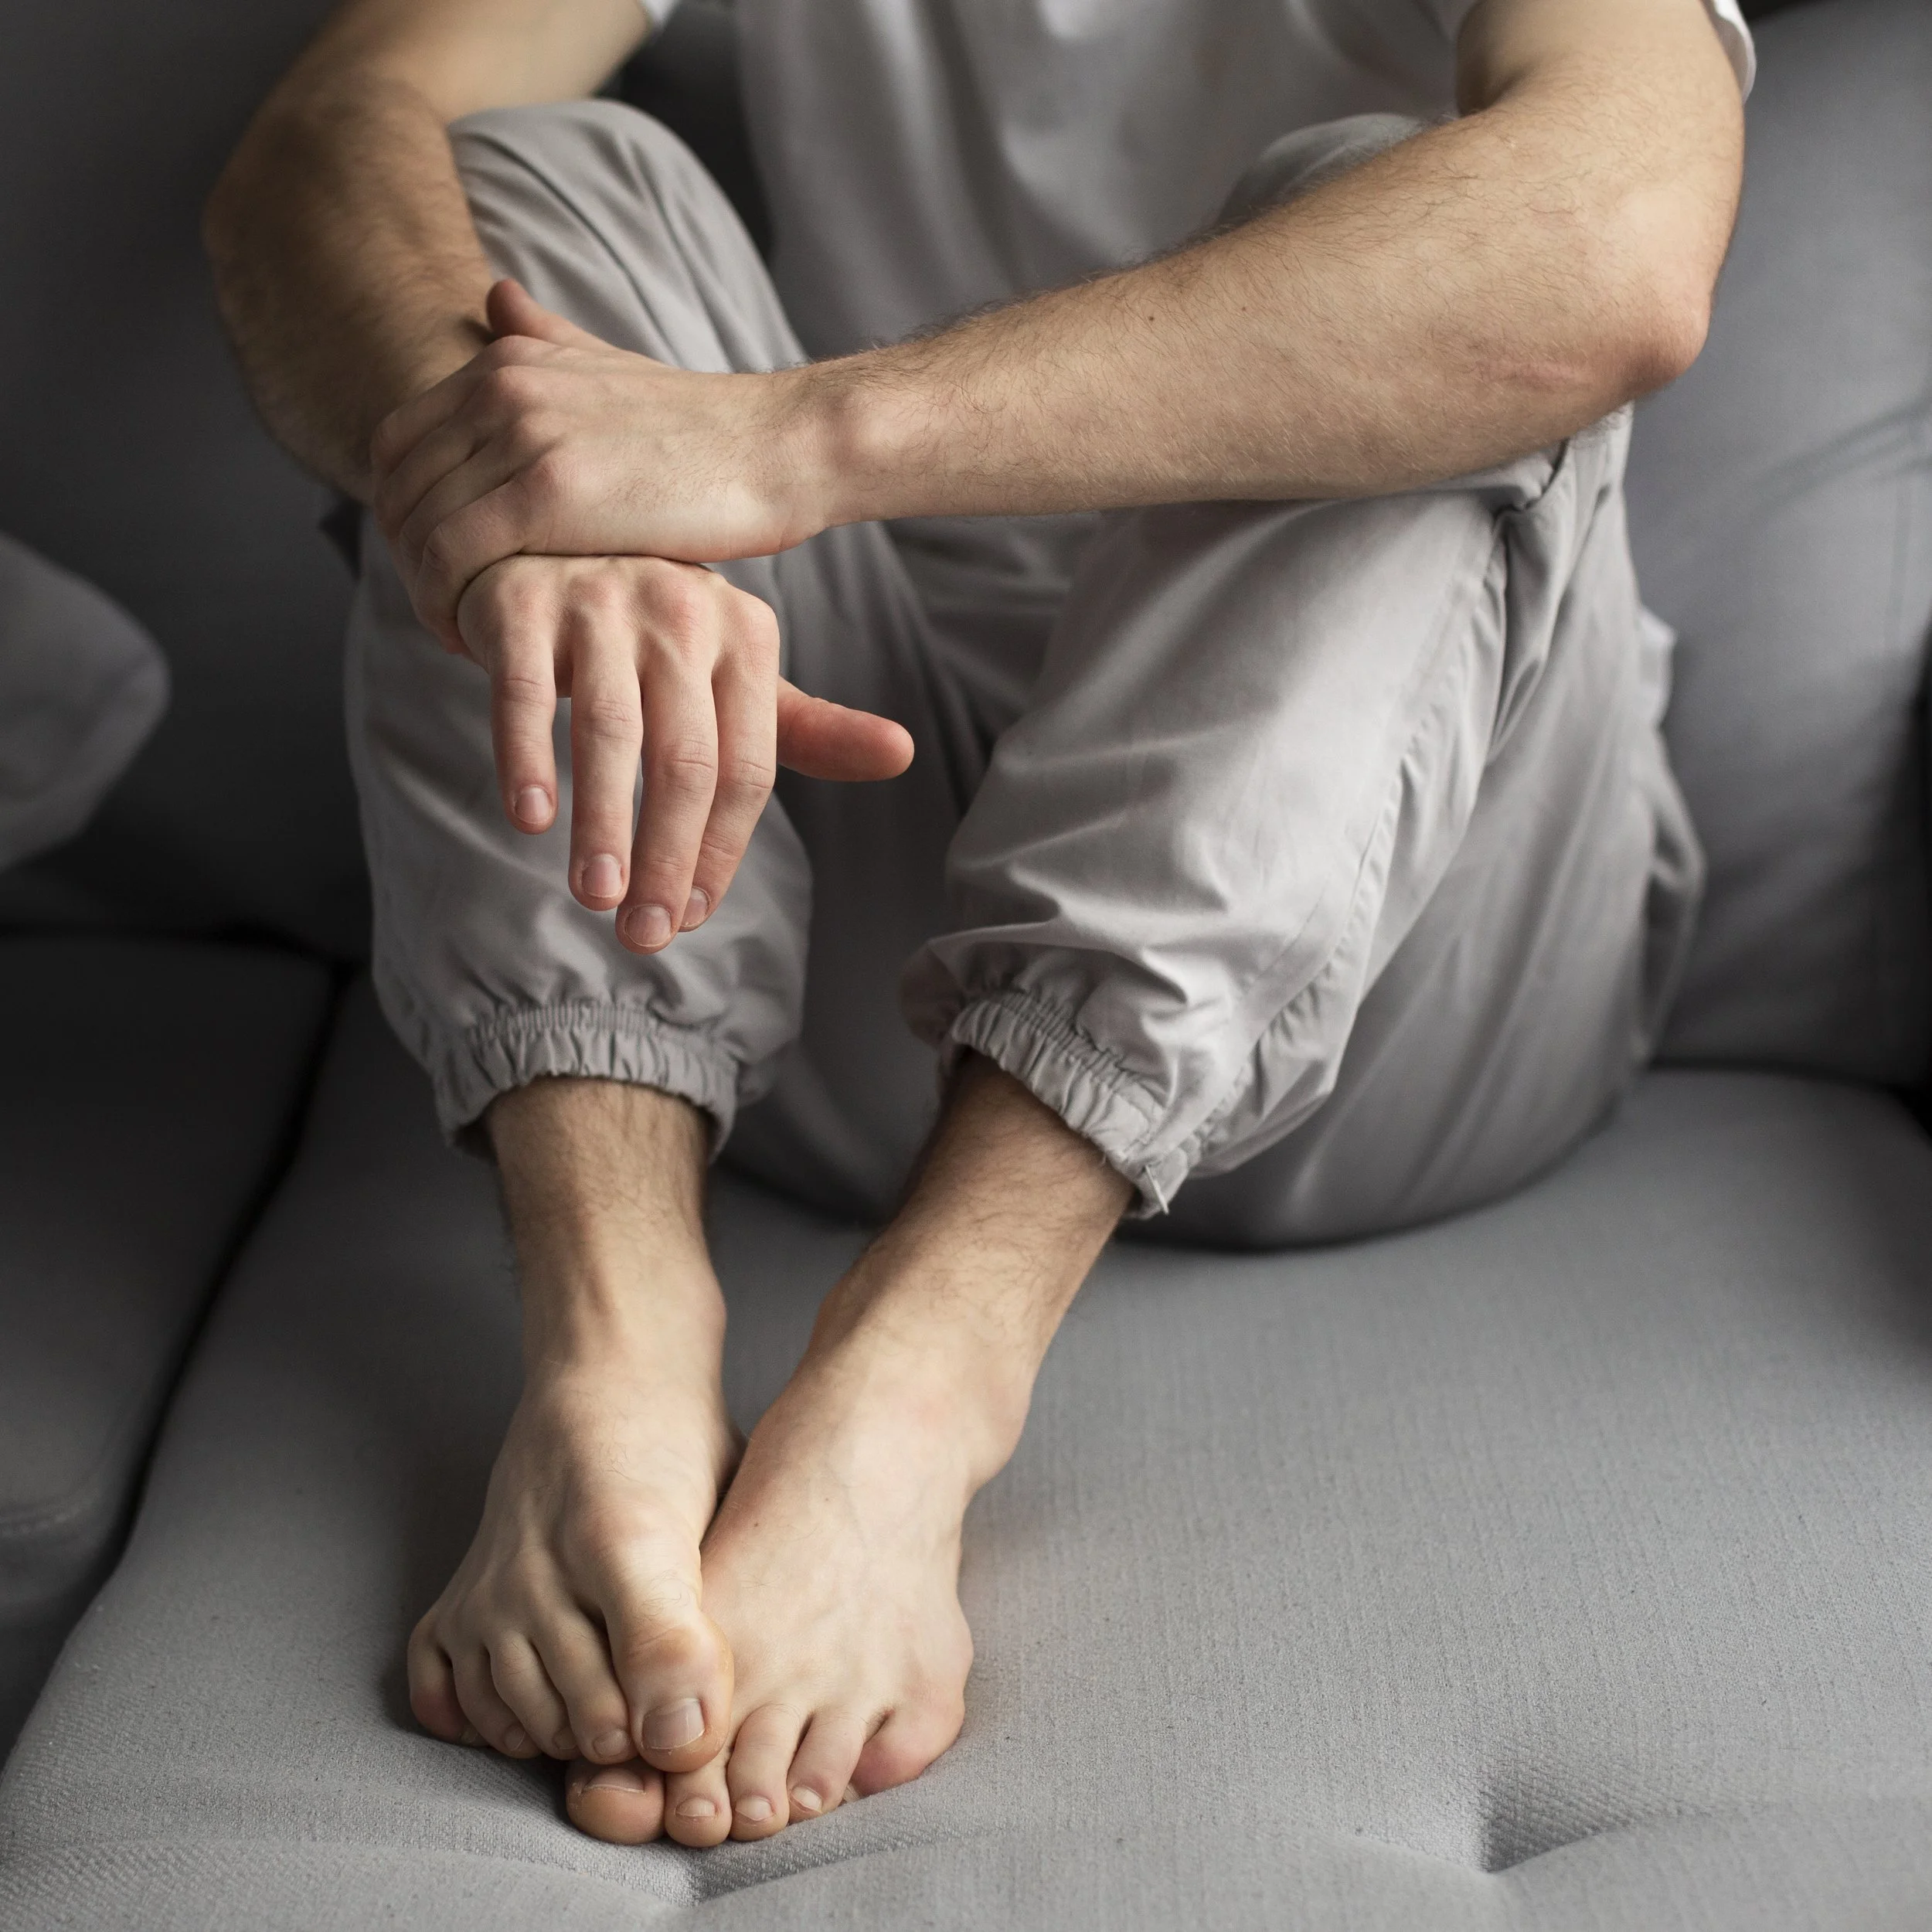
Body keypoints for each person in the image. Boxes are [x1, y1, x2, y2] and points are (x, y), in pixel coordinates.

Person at [205, 0, 1752, 1850]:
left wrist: (790, 443)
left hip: (1433, 977)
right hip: (859, 921)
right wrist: (537, 510)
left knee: (1415, 225)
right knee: (530, 193)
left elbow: (1613, 246)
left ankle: (919, 1383)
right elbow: (325, 138)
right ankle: (608, 1347)